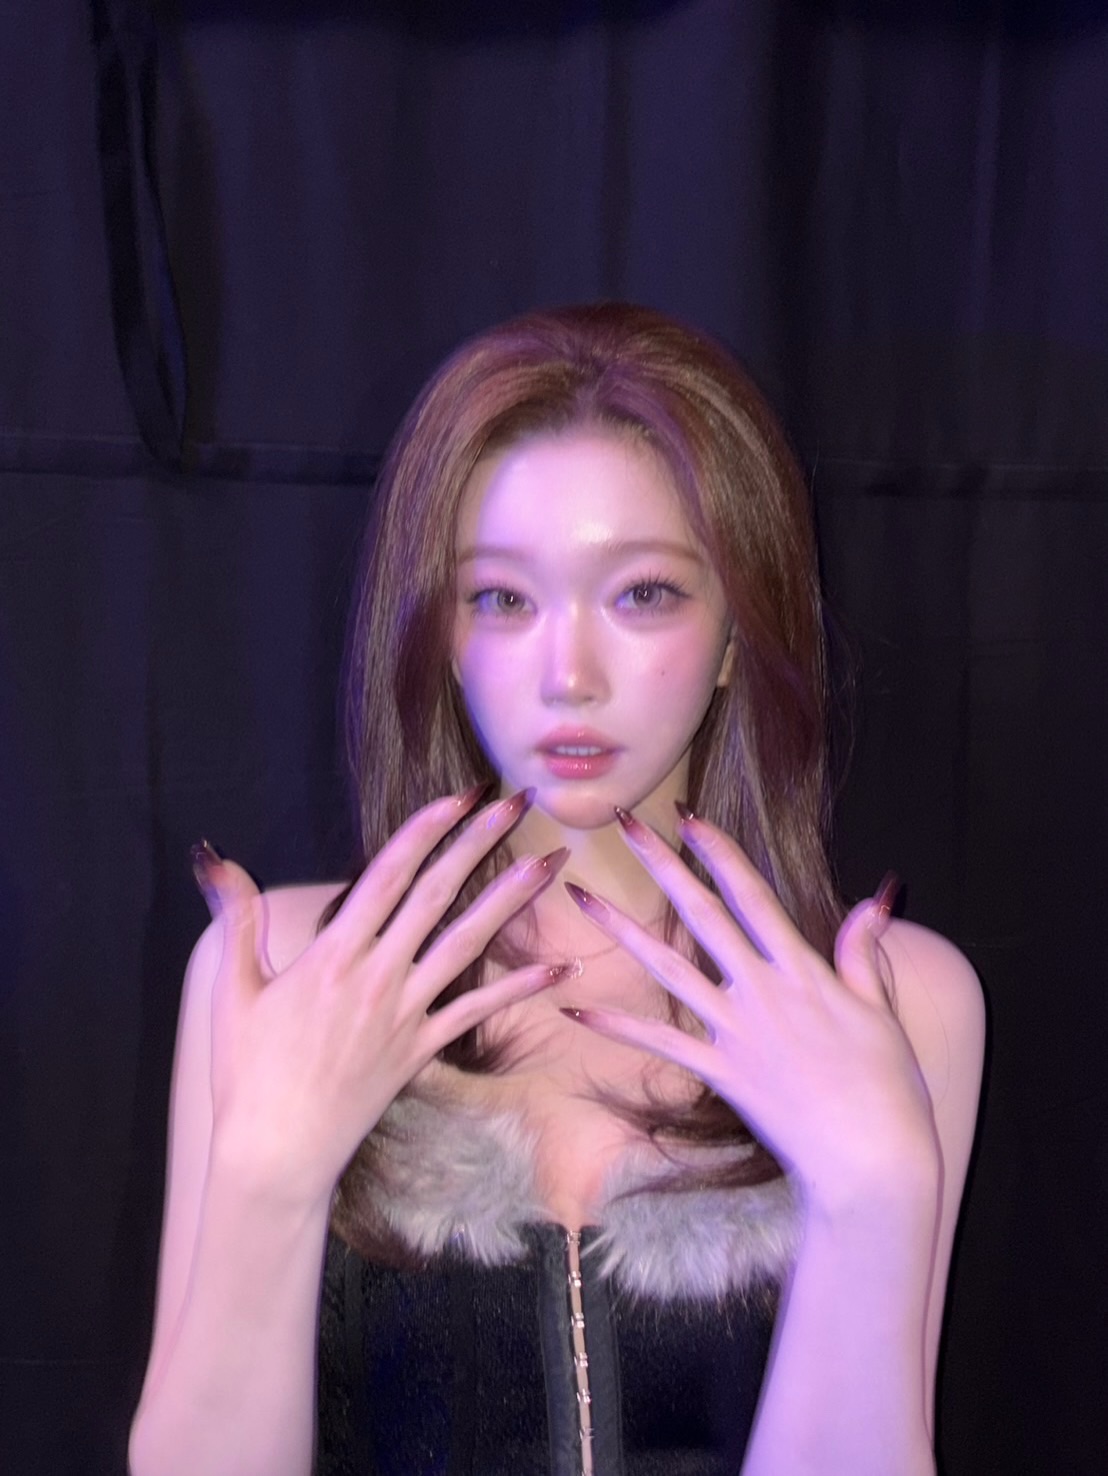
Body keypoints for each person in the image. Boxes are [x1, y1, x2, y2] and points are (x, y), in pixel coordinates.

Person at [128, 304, 984, 1476]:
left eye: (643, 594)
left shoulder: (894, 1003)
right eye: (501, 599)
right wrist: (270, 1170)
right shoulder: (282, 970)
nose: (567, 676)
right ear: (438, 630)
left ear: (739, 628)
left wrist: (873, 1199)